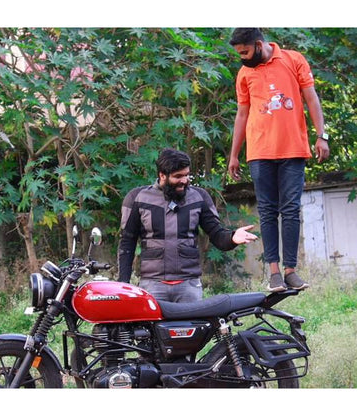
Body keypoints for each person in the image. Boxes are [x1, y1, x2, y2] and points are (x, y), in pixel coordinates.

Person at [228, 28, 330, 292]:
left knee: (291, 210)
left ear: (258, 44)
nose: (242, 58)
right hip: (259, 152)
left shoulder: (293, 59)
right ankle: (274, 273)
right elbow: (242, 114)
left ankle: (291, 271)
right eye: (239, 54)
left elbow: (311, 98)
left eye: (245, 52)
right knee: (267, 211)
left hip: (293, 150)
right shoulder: (244, 73)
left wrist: (322, 136)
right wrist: (234, 154)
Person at [117, 148, 258, 302]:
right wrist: (123, 284)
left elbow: (217, 235)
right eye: (178, 176)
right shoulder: (137, 198)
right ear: (162, 175)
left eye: (186, 175)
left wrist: (232, 237)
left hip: (189, 286)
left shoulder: (199, 197)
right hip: (152, 286)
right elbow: (127, 242)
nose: (184, 180)